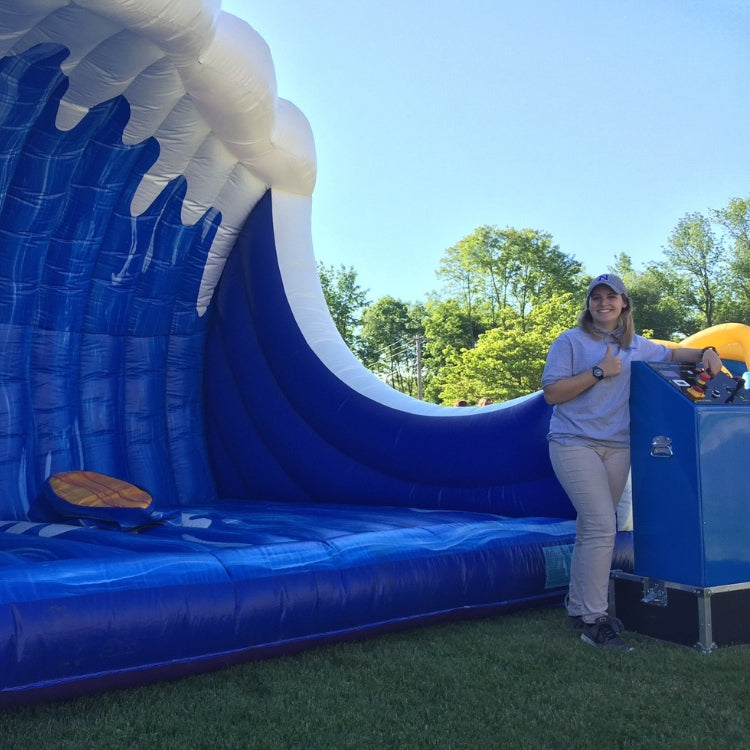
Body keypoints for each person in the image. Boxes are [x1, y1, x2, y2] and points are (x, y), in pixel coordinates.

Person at [541, 273, 723, 651]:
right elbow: (552, 394)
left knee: (592, 529)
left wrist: (708, 353)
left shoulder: (637, 346)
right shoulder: (570, 342)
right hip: (574, 443)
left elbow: (675, 355)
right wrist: (597, 372)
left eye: (612, 297)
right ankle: (594, 620)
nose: (603, 303)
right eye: (596, 297)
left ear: (624, 304)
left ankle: (578, 607)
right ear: (588, 304)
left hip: (617, 446)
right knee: (601, 524)